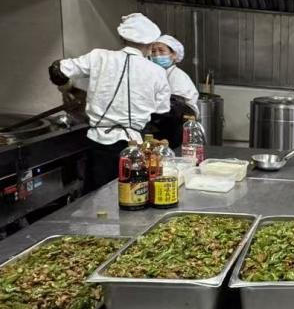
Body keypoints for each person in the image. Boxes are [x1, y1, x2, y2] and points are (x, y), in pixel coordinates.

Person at [49, 12, 171, 190]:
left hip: (98, 143)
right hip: (135, 147)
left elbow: (56, 70)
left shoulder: (99, 57)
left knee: (96, 199)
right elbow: (162, 111)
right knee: (131, 195)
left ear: (122, 38)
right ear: (151, 44)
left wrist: (66, 87)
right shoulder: (157, 72)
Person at [148, 34, 200, 150]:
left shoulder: (179, 77)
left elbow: (177, 106)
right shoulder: (155, 74)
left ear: (174, 55)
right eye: (153, 51)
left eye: (161, 51)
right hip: (160, 127)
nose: (156, 55)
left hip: (175, 129)